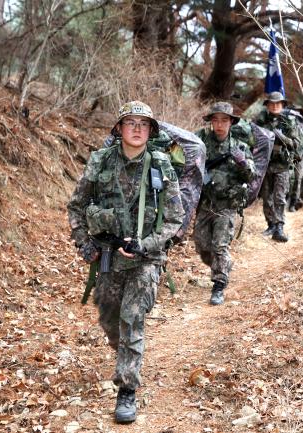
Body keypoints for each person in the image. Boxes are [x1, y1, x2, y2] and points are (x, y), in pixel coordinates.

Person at [67, 101, 185, 424]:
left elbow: (176, 218)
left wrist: (147, 245)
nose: (136, 129)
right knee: (110, 320)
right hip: (108, 256)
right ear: (119, 128)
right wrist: (85, 244)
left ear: (150, 131)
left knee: (132, 317)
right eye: (130, 122)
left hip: (147, 259)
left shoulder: (160, 165)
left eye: (143, 124)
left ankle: (127, 390)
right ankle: (128, 356)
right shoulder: (101, 162)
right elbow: (76, 207)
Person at [194, 102, 256, 305]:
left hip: (227, 204)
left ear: (231, 122)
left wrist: (242, 162)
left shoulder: (239, 146)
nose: (219, 124)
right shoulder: (201, 142)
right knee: (203, 245)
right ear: (211, 122)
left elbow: (252, 174)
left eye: (224, 120)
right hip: (205, 202)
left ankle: (219, 285)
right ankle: (223, 265)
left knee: (220, 246)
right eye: (216, 120)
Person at [254, 92, 303, 242]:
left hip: (282, 164)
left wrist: (281, 137)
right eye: (272, 104)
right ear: (267, 105)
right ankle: (270, 224)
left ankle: (279, 226)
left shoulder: (289, 122)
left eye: (278, 104)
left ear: (282, 105)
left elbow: (296, 143)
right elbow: (252, 139)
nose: (275, 106)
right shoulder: (260, 121)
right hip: (264, 164)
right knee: (266, 197)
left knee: (280, 197)